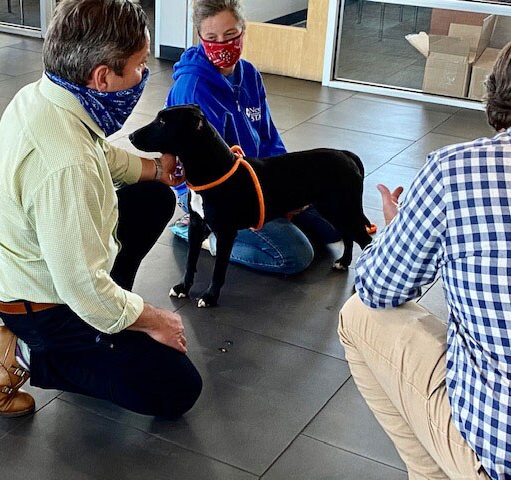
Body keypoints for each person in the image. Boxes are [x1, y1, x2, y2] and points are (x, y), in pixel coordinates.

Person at [0, 0, 202, 420]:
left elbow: (98, 152)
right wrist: (154, 319)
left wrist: (158, 170)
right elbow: (81, 287)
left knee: (154, 197)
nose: (144, 75)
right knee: (177, 388)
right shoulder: (67, 165)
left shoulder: (45, 96)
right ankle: (23, 353)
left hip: (38, 275)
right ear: (102, 77)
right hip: (42, 309)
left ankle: (105, 329)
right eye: (139, 66)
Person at [337, 44, 511, 480]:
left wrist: (399, 232)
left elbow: (377, 287)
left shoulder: (457, 171)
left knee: (358, 314)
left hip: (499, 456)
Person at [165, 0, 339, 275]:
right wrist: (272, 199)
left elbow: (269, 137)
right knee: (295, 256)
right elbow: (210, 174)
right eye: (212, 38)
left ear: (243, 31)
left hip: (257, 179)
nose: (222, 45)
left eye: (230, 35)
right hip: (215, 193)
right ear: (199, 36)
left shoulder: (249, 75)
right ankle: (203, 235)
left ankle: (270, 225)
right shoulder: (193, 89)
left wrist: (288, 185)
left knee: (334, 226)